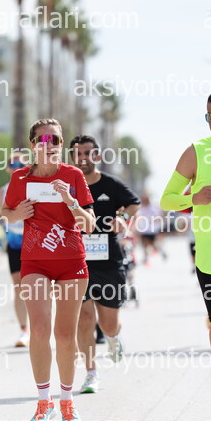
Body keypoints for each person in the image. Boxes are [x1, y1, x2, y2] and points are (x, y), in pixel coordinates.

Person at [0, 118, 95, 421]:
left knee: (65, 335)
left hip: (70, 261)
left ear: (61, 144)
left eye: (55, 140)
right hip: (35, 261)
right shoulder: (20, 178)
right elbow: (5, 213)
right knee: (39, 330)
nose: (50, 145)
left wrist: (71, 202)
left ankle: (67, 402)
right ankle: (44, 402)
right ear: (33, 146)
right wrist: (17, 213)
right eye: (43, 140)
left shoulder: (73, 175)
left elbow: (89, 223)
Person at [161, 87, 211, 421]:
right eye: (210, 117)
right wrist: (194, 198)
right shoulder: (196, 152)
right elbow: (167, 199)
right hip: (210, 255)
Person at [70, 134, 140, 393]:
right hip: (76, 261)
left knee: (108, 323)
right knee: (84, 318)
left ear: (97, 156)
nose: (82, 158)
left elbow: (134, 204)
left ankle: (113, 337)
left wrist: (122, 219)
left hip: (108, 260)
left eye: (88, 153)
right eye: (77, 153)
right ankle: (91, 374)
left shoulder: (110, 184)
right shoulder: (66, 185)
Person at [0, 154, 29, 348]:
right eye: (12, 164)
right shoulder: (3, 190)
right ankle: (24, 330)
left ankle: (43, 326)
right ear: (8, 168)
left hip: (34, 242)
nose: (16, 166)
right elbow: (3, 215)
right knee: (19, 287)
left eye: (21, 163)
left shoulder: (33, 186)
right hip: (15, 243)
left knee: (40, 286)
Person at [137, 192, 167, 265]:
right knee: (144, 244)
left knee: (153, 244)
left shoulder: (153, 208)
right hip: (143, 230)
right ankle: (145, 258)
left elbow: (159, 217)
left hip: (152, 230)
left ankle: (162, 252)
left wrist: (153, 221)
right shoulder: (140, 208)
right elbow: (137, 217)